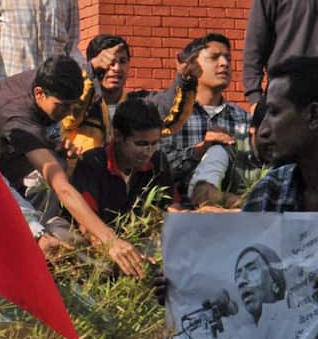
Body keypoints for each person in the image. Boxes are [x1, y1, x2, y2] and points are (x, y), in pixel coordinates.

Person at [158, 56, 318, 339]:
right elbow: (237, 283)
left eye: (277, 112)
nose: (264, 127)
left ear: (314, 116)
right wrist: (183, 288)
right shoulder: (273, 189)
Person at [0, 55, 147, 277]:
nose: (68, 113)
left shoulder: (47, 79)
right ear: (39, 93)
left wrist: (53, 144)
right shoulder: (18, 117)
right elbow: (61, 186)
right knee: (46, 179)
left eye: (74, 104)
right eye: (63, 106)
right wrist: (110, 239)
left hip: (4, 151)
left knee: (60, 161)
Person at [60, 34, 198, 160]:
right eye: (110, 62)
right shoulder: (80, 103)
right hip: (81, 179)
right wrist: (90, 69)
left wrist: (185, 80)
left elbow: (169, 114)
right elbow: (69, 117)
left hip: (129, 183)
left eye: (123, 61)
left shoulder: (138, 104)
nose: (117, 68)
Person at [161, 34, 254, 197]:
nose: (224, 64)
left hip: (230, 213)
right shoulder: (172, 116)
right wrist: (197, 152)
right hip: (176, 213)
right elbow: (156, 169)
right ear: (192, 65)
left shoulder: (244, 119)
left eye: (228, 58)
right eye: (214, 57)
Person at [68, 96, 177, 228]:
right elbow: (85, 223)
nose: (148, 151)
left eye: (154, 144)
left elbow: (172, 207)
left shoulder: (158, 162)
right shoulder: (92, 163)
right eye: (141, 144)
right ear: (118, 135)